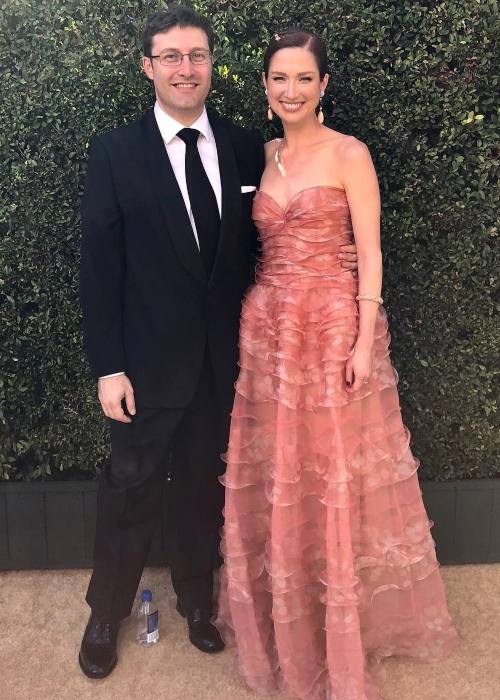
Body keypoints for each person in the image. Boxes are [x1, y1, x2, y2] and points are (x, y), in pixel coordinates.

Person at [79, 5, 359, 680]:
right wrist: (109, 366)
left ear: (213, 65)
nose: (185, 68)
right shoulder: (114, 152)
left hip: (226, 362)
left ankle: (199, 604)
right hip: (144, 365)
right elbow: (99, 268)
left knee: (206, 489)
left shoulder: (244, 147)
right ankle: (104, 612)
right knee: (131, 486)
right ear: (148, 67)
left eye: (196, 55)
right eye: (170, 57)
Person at [216, 29, 459, 700]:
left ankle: (342, 631)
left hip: (332, 332)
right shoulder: (259, 155)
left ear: (323, 86)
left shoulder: (351, 154)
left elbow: (371, 252)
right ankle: (288, 621)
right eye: (278, 79)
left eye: (302, 78)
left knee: (333, 474)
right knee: (282, 473)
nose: (290, 90)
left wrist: (362, 336)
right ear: (265, 88)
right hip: (269, 331)